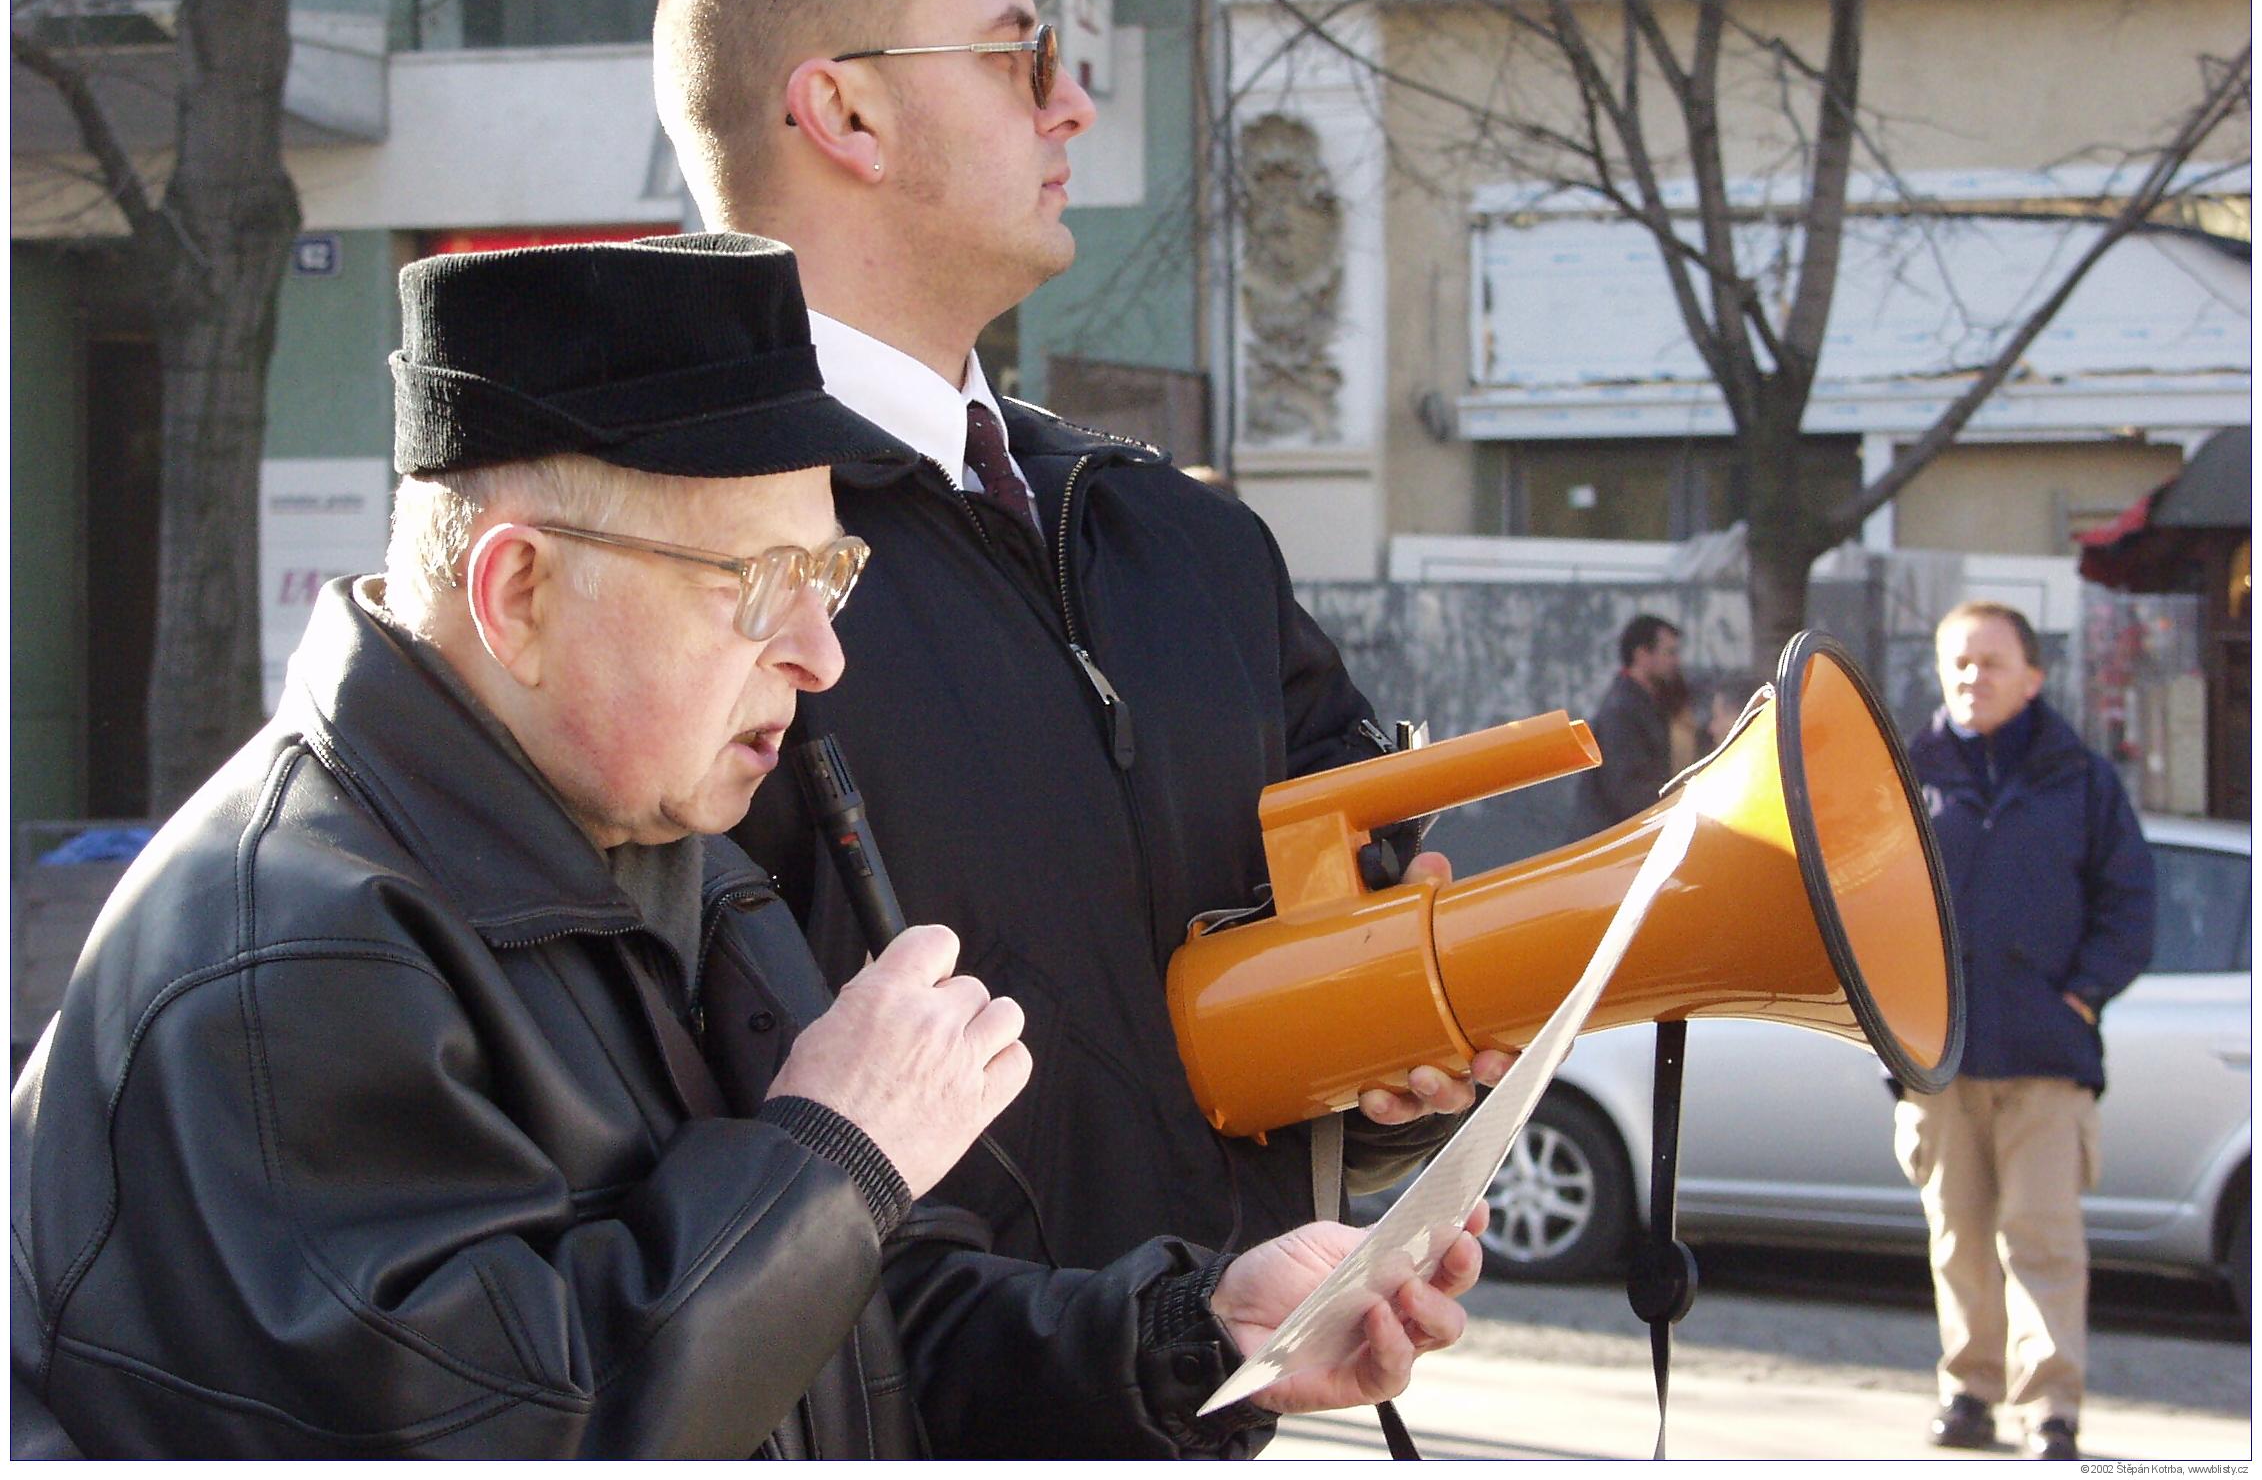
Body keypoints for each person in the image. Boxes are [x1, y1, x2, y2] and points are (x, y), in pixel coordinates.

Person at [7, 236, 1484, 1459]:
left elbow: (862, 1337)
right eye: (764, 581)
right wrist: (830, 1157)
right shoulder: (285, 953)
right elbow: (499, 1433)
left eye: (831, 571)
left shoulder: (665, 850)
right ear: (519, 594)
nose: (822, 653)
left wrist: (1193, 1334)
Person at [651, 0, 1506, 1274]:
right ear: (845, 114)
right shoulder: (659, 570)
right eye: (1020, 55)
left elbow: (1294, 1044)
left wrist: (1386, 1093)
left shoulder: (1186, 542)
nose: (1073, 106)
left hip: (1224, 1379)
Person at [1898, 602, 2155, 1462]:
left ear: (2033, 677)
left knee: (2042, 1238)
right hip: (1940, 1059)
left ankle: (2051, 1408)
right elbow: (1867, 903)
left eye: (1992, 661)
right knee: (1958, 1241)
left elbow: (2130, 906)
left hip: (2047, 1059)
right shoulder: (1905, 775)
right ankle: (1968, 1393)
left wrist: (2080, 994)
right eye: (1959, 661)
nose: (1973, 676)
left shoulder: (2080, 780)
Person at [1570, 614, 1685, 836]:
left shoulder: (1649, 702)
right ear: (1642, 655)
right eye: (1669, 653)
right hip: (1613, 842)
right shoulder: (1621, 711)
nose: (1675, 661)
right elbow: (1627, 790)